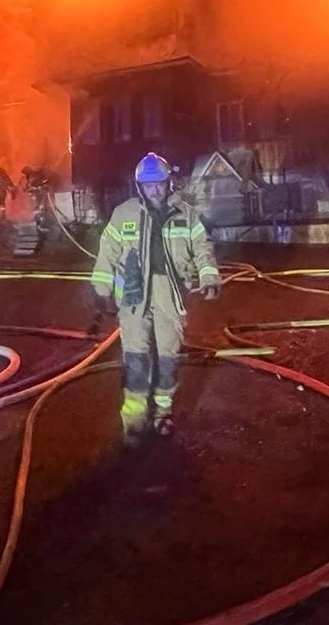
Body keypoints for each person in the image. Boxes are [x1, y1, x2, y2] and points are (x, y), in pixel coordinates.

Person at [91, 152, 222, 443]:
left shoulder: (186, 214)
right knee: (136, 360)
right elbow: (107, 252)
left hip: (171, 297)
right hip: (134, 299)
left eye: (159, 184)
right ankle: (135, 420)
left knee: (167, 358)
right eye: (148, 186)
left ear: (168, 183)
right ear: (139, 187)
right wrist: (101, 290)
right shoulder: (124, 213)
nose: (154, 190)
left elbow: (203, 248)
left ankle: (163, 413)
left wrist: (209, 276)